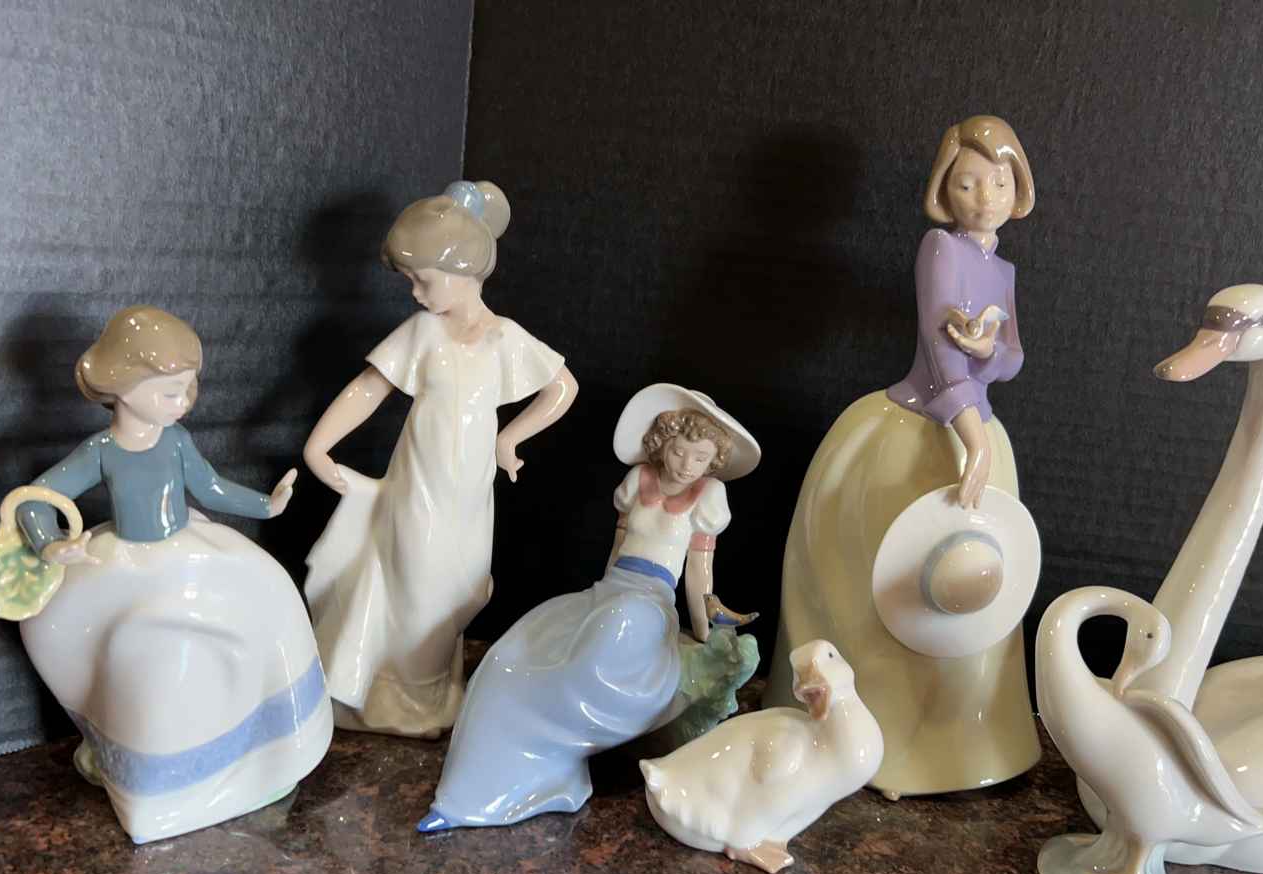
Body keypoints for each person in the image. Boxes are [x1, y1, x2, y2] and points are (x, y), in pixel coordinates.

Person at [765, 116, 1043, 796]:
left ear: (1018, 191)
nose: (984, 198)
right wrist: (972, 436)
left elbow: (1011, 357)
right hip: (929, 426)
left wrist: (990, 351)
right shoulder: (938, 248)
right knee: (885, 587)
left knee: (972, 592)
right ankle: (876, 743)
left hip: (979, 431)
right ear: (943, 190)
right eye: (967, 183)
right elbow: (939, 351)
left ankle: (959, 741)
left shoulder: (1000, 267)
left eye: (999, 183)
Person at [14, 305, 330, 843]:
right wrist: (51, 544)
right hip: (126, 566)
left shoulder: (176, 440)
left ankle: (261, 758)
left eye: (187, 390)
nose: (182, 403)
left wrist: (267, 505)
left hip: (190, 553)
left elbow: (209, 487)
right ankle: (148, 778)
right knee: (140, 653)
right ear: (122, 386)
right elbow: (33, 499)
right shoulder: (102, 450)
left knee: (267, 602)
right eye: (169, 392)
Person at [302, 181, 578, 739]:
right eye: (410, 281)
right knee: (415, 580)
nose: (415, 293)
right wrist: (318, 445)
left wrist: (510, 439)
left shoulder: (504, 338)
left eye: (422, 280)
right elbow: (370, 387)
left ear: (465, 269)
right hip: (419, 485)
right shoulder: (423, 333)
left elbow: (562, 388)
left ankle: (427, 692)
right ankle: (401, 695)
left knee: (462, 588)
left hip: (470, 492)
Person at [418, 383, 759, 831]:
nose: (685, 465)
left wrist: (701, 632)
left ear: (711, 463)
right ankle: (469, 793)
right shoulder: (637, 481)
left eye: (699, 458)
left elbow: (699, 574)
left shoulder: (707, 497)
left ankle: (556, 744)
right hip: (611, 590)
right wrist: (594, 599)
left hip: (650, 602)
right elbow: (617, 550)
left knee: (613, 629)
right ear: (662, 444)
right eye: (679, 452)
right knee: (513, 652)